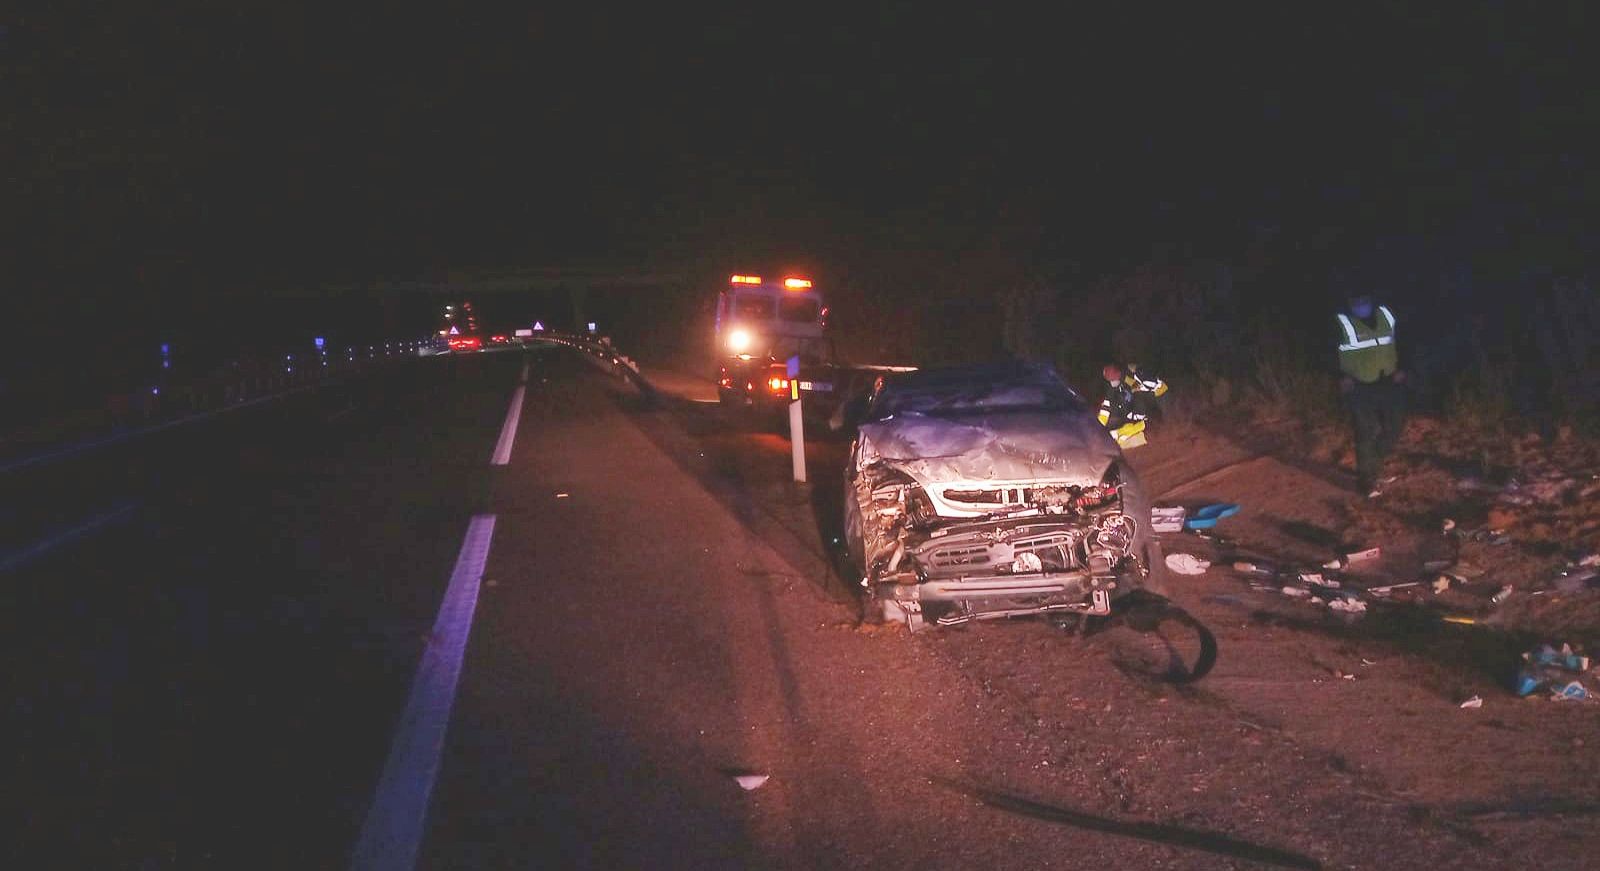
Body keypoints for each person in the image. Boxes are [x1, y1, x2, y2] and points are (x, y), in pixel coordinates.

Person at [1336, 294, 1405, 497]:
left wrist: (1405, 367)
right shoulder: (1340, 322)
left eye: (1364, 300)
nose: (1361, 305)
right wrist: (1340, 376)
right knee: (1366, 431)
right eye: (1356, 301)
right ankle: (1366, 481)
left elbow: (1404, 340)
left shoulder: (1386, 314)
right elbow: (1323, 350)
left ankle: (1373, 465)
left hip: (1388, 381)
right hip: (1358, 385)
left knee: (1394, 427)